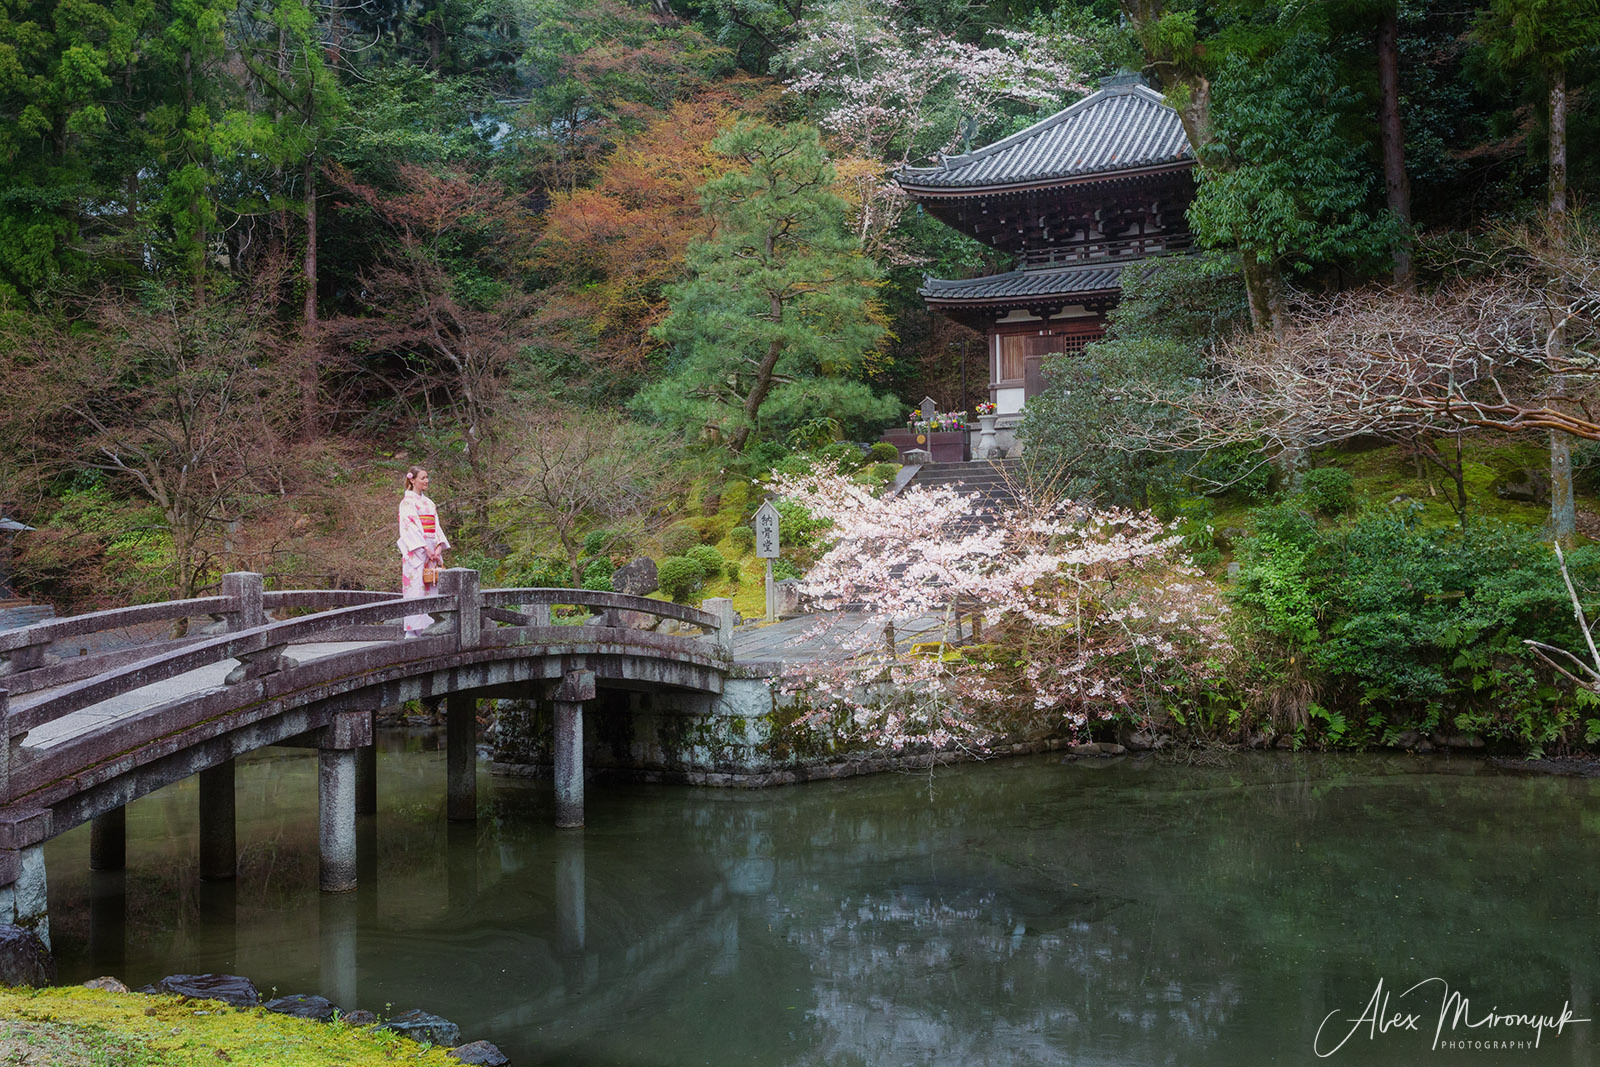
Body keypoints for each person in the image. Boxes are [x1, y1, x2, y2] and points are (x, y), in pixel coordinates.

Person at [398, 466, 450, 636]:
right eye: (422, 478)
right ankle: (412, 632)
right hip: (417, 550)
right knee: (415, 588)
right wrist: (424, 547)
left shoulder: (430, 503)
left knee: (433, 586)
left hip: (431, 548)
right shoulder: (407, 502)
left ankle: (431, 629)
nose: (426, 481)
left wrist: (438, 546)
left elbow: (436, 527)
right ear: (412, 480)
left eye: (427, 477)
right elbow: (409, 528)